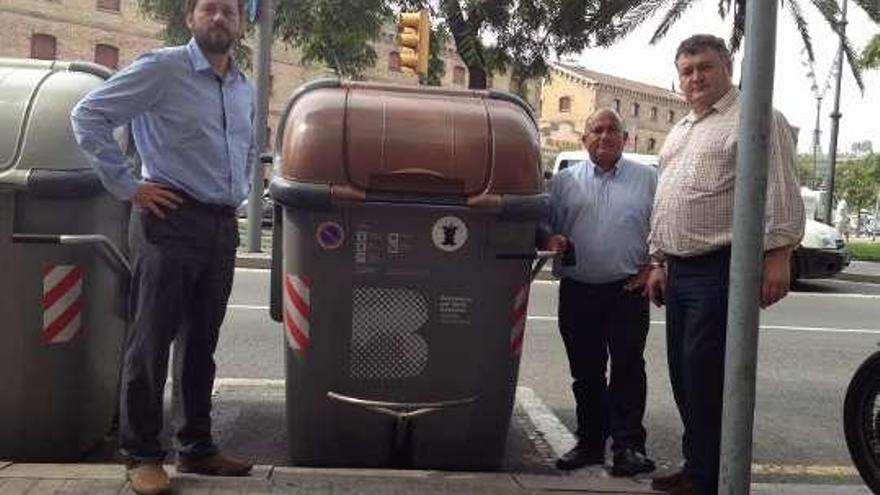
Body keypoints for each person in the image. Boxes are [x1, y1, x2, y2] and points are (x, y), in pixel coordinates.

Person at [70, 0, 255, 493]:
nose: (220, 19)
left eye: (229, 12)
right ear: (191, 18)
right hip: (168, 219)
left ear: (240, 23)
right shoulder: (162, 69)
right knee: (150, 342)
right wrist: (130, 186)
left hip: (220, 226)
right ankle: (142, 455)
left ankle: (197, 449)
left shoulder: (243, 86)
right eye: (210, 9)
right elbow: (88, 115)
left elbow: (242, 148)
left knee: (201, 344)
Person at [644, 35, 805, 495]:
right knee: (684, 373)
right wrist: (657, 261)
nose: (695, 77)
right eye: (687, 70)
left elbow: (780, 189)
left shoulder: (757, 117)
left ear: (728, 68)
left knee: (706, 375)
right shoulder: (682, 129)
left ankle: (712, 477)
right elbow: (665, 200)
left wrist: (778, 255)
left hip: (722, 270)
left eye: (705, 67)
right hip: (679, 270)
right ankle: (699, 466)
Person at [541, 109, 658, 476]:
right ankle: (591, 443)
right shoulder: (563, 182)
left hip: (628, 291)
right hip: (578, 291)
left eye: (612, 130)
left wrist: (654, 266)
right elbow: (544, 227)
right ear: (584, 138)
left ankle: (628, 448)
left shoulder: (649, 178)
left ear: (625, 139)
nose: (605, 136)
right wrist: (550, 239)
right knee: (586, 372)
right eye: (597, 130)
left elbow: (665, 225)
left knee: (627, 369)